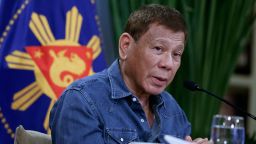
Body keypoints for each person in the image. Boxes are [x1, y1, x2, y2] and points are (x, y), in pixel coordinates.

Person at [49, 4, 209, 144]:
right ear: (126, 46)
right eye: (158, 49)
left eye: (176, 54)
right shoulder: (81, 100)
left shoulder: (172, 109)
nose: (167, 64)